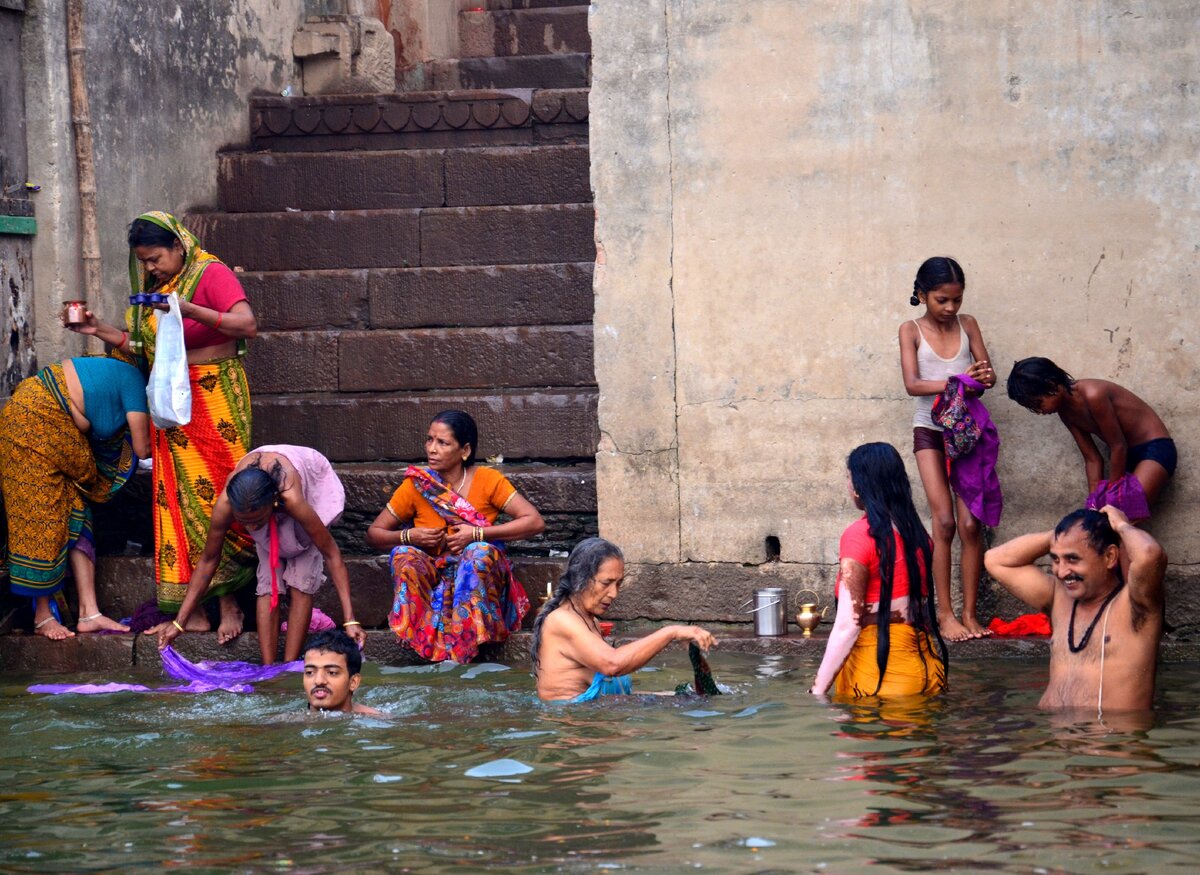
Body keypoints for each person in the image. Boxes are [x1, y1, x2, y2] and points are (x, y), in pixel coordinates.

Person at [65, 211, 257, 643]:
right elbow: (139, 347)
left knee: (218, 497)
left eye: (155, 259)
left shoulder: (211, 272)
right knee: (176, 500)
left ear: (179, 246)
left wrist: (191, 309)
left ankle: (229, 603)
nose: (151, 268)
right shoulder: (158, 289)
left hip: (214, 396)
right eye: (145, 262)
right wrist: (95, 328)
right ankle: (195, 612)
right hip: (171, 401)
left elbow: (247, 325)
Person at [157, 446, 365, 664]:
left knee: (301, 579)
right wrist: (179, 622)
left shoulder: (291, 497)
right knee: (267, 581)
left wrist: (350, 620)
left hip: (306, 483)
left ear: (273, 503)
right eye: (244, 522)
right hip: (265, 498)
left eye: (256, 521)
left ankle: (287, 665)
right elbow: (208, 560)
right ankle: (268, 668)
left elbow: (331, 554)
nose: (251, 527)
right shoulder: (227, 503)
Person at [366, 410, 545, 663]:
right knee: (403, 555)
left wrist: (477, 533)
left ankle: (468, 644)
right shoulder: (417, 485)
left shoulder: (488, 480)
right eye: (429, 440)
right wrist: (410, 536)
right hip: (432, 573)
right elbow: (374, 534)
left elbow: (534, 521)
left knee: (479, 553)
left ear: (465, 450)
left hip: (475, 575)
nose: (432, 449)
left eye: (443, 443)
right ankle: (420, 640)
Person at [0, 358, 151, 639]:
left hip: (46, 422)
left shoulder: (110, 370)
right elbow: (142, 449)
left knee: (76, 512)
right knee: (41, 519)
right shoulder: (133, 381)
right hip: (33, 420)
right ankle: (42, 617)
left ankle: (89, 613)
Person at [898, 256, 997, 641]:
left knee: (971, 524)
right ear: (922, 295)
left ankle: (970, 615)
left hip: (968, 431)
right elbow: (913, 384)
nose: (950, 308)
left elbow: (985, 376)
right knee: (944, 522)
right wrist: (959, 379)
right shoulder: (910, 330)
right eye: (942, 300)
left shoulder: (968, 324)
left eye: (956, 300)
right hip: (930, 432)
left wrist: (982, 376)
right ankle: (944, 615)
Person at [984, 507, 1165, 715]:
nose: (1061, 572)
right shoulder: (1058, 597)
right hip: (1055, 742)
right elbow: (995, 560)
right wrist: (1063, 535)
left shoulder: (1136, 605)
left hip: (1112, 743)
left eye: (1072, 559)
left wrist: (1121, 525)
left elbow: (1150, 555)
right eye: (1055, 559)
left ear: (1110, 557)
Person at [810, 443, 947, 698]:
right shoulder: (919, 536)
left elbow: (847, 626)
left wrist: (817, 690)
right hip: (930, 671)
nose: (848, 486)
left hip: (880, 676)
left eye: (849, 478)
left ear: (861, 486)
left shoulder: (859, 536)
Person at [532, 537, 717, 702]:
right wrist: (671, 632)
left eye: (618, 584)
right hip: (571, 730)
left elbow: (610, 698)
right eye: (606, 583)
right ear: (580, 578)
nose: (614, 593)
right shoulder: (562, 620)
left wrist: (673, 697)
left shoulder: (590, 621)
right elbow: (612, 664)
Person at [1006, 357, 1175, 511]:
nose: (1039, 412)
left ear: (1051, 384)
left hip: (1155, 449)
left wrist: (1111, 494)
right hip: (1127, 457)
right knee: (1097, 520)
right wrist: (1093, 502)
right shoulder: (1065, 413)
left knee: (1122, 513)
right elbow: (1092, 459)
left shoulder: (1093, 395)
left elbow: (1118, 445)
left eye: (1038, 403)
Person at [303, 629, 384, 715]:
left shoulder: (378, 721)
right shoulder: (291, 722)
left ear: (353, 682)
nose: (318, 681)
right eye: (310, 672)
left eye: (332, 672)